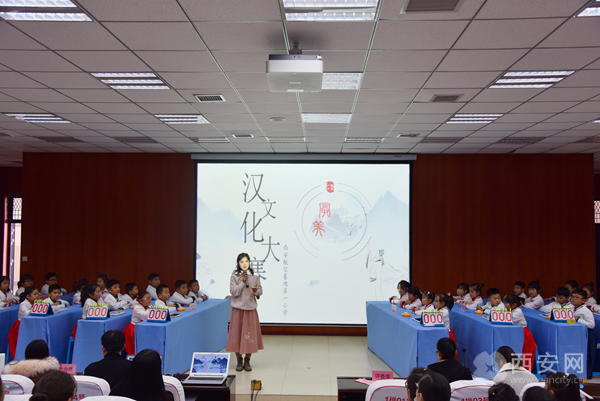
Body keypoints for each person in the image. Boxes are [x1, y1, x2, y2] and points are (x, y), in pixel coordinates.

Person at [226, 252, 264, 372]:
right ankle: (239, 360)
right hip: (238, 310)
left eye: (246, 261)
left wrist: (256, 291)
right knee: (237, 335)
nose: (244, 264)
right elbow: (233, 292)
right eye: (242, 261)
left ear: (249, 263)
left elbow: (260, 291)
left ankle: (247, 360)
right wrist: (242, 282)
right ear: (238, 263)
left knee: (250, 336)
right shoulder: (234, 276)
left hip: (250, 310)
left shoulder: (254, 277)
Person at [571, 289, 596, 380]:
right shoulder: (573, 308)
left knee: (588, 356)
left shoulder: (586, 311)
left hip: (588, 335)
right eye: (573, 297)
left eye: (577, 297)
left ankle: (587, 375)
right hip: (579, 335)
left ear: (584, 300)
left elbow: (591, 324)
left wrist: (578, 320)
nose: (574, 299)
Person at [8, 286, 39, 359]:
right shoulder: (23, 304)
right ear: (28, 296)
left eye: (38, 294)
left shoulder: (35, 303)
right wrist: (37, 309)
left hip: (29, 326)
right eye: (35, 294)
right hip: (20, 327)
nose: (37, 296)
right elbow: (27, 313)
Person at [123, 291, 152, 355]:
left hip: (140, 328)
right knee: (133, 347)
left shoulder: (146, 307)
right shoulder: (137, 308)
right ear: (141, 301)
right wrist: (149, 309)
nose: (149, 300)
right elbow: (146, 316)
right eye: (147, 299)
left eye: (150, 298)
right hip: (133, 329)